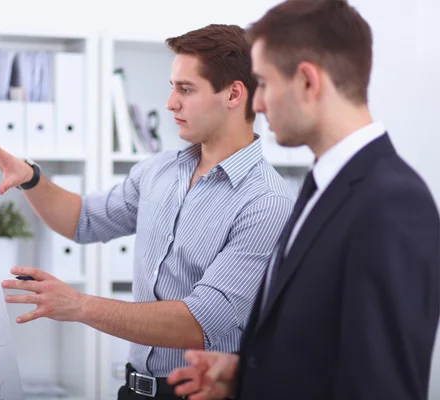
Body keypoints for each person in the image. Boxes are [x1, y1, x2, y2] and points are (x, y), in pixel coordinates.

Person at [0, 24, 294, 400]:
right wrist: (30, 177)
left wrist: (79, 305)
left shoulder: (266, 203)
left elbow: (199, 322)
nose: (170, 102)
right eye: (173, 86)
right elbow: (83, 220)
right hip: (133, 390)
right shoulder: (160, 169)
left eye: (185, 89)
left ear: (234, 94)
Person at [167, 1, 440, 399]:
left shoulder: (392, 205)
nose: (256, 104)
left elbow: (380, 386)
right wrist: (245, 375)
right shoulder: (324, 186)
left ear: (309, 81)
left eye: (264, 83)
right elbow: (329, 349)